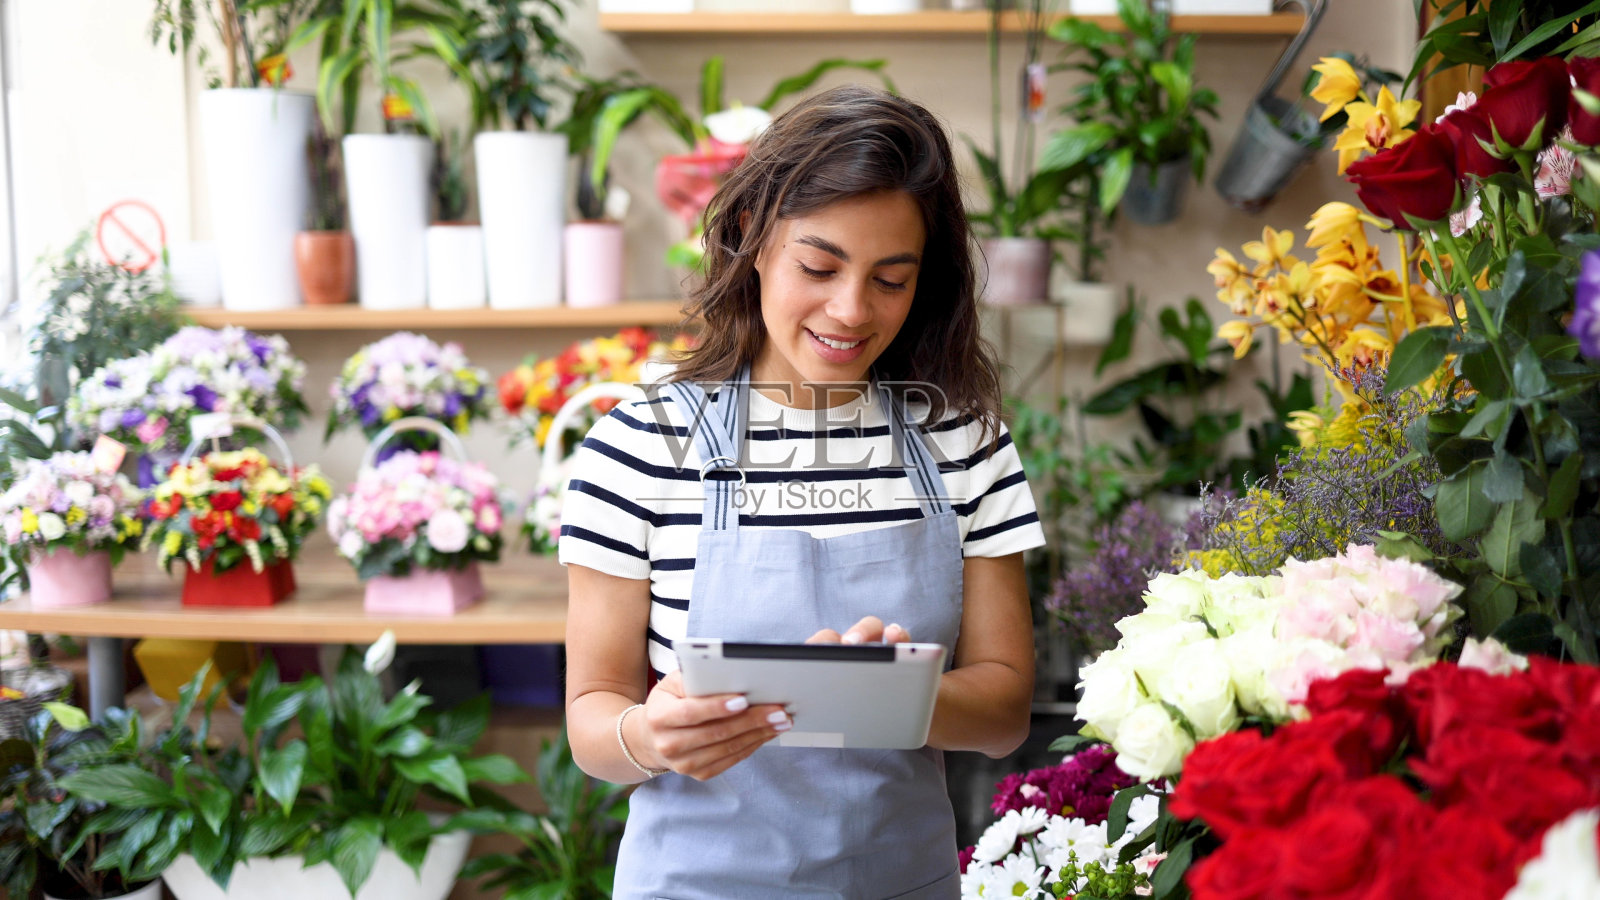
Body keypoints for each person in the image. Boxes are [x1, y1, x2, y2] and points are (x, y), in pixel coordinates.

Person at [561, 83, 1045, 899]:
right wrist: (650, 734)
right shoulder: (642, 444)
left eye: (891, 280)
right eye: (819, 266)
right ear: (752, 236)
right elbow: (590, 716)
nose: (850, 310)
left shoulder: (962, 442)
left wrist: (895, 696)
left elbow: (1004, 714)